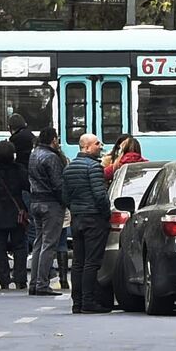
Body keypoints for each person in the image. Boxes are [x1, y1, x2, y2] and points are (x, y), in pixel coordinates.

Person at [61, 133, 110, 314]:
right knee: (92, 262)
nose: (101, 146)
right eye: (97, 143)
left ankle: (77, 302)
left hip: (77, 218)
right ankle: (88, 301)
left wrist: (75, 208)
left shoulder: (69, 168)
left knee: (78, 262)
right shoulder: (94, 168)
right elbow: (100, 196)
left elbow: (64, 196)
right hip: (93, 218)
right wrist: (105, 215)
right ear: (87, 147)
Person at [0, 139, 29, 289]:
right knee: (20, 247)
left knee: (0, 248)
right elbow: (28, 186)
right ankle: (20, 278)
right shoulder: (19, 169)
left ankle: (4, 279)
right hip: (17, 212)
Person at [27, 127, 66, 296]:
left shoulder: (34, 154)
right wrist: (66, 202)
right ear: (54, 139)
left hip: (35, 202)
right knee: (49, 244)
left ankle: (34, 283)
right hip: (51, 204)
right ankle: (43, 283)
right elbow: (58, 184)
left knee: (38, 243)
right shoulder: (51, 157)